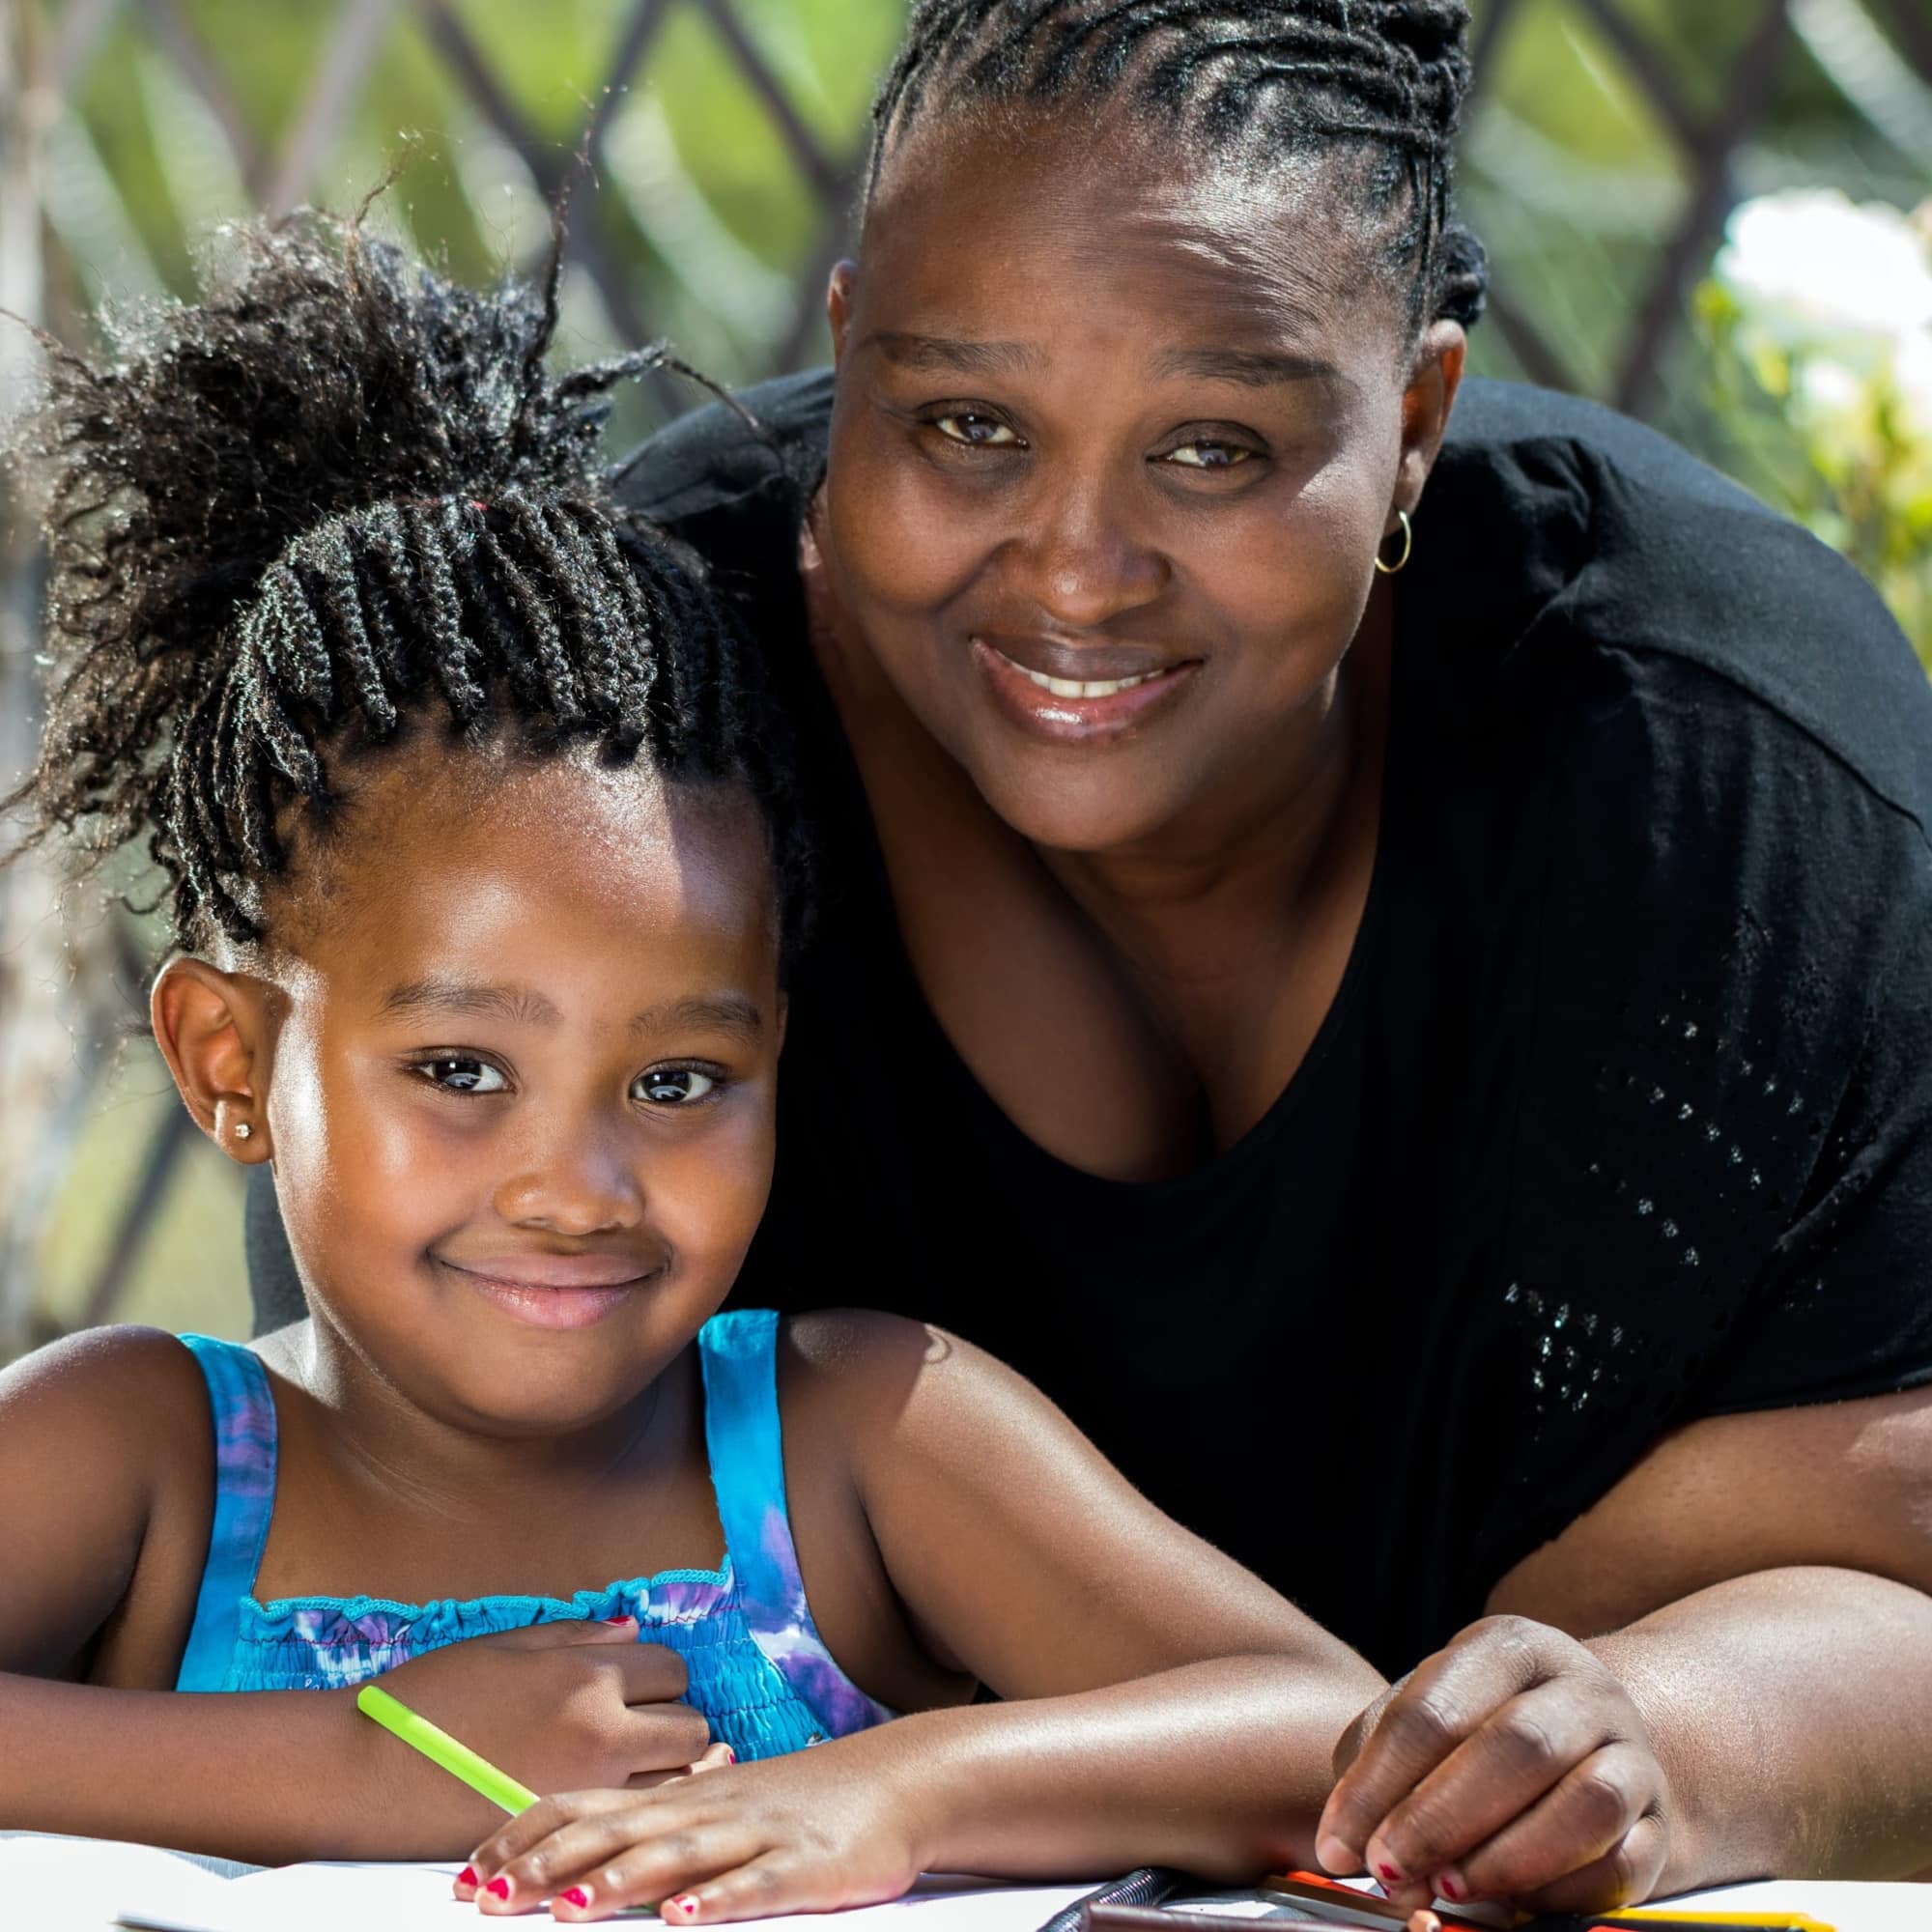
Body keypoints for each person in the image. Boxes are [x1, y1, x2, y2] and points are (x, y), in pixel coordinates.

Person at [247, 0, 1932, 1911]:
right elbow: (437, 1553)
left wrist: (1659, 1719)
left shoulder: (1708, 773)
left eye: (1211, 450)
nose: (1073, 569)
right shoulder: (596, 761)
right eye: (965, 427)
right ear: (845, 345)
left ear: (1414, 424)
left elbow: (1892, 1561)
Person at [0, 213, 1393, 1917]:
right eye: (457, 1068)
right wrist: (356, 1762)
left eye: (675, 1084)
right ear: (234, 1058)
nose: (575, 1188)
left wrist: (886, 1792)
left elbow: (1331, 1727)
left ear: (777, 1058)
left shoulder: (852, 1445)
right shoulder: (148, 1454)